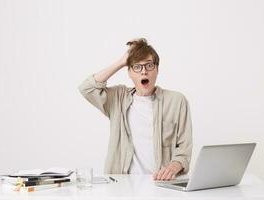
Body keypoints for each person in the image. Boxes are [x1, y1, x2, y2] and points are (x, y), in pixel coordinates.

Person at [78, 38, 192, 181]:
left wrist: (173, 167)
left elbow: (184, 148)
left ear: (157, 69)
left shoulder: (177, 101)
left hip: (161, 184)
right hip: (122, 185)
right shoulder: (118, 98)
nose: (144, 71)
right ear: (129, 72)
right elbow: (86, 88)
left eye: (149, 65)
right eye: (137, 67)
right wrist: (122, 61)